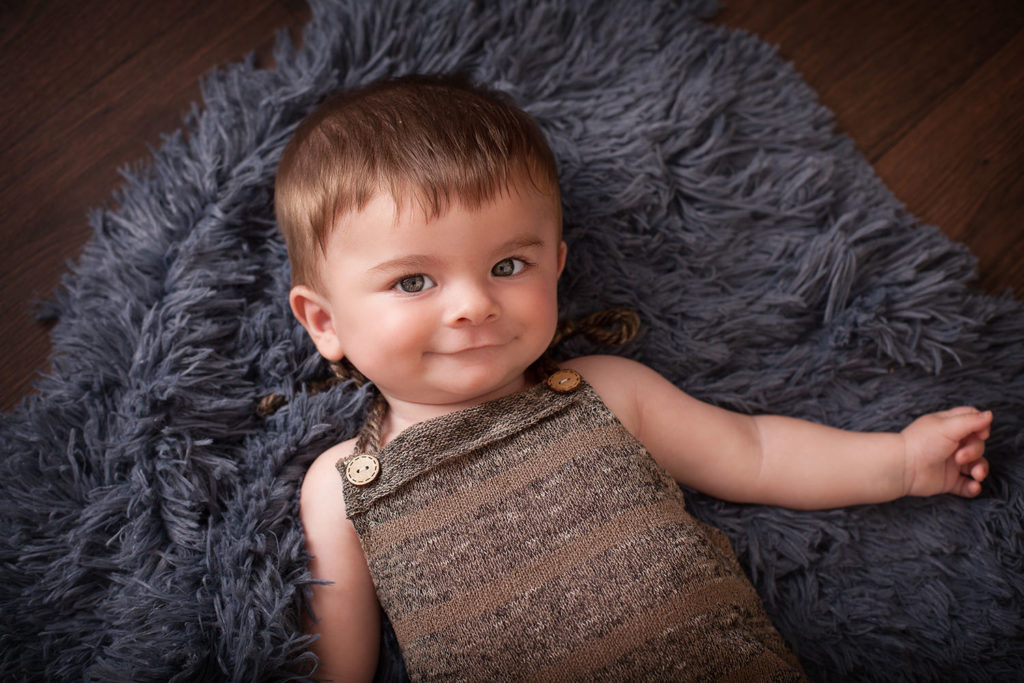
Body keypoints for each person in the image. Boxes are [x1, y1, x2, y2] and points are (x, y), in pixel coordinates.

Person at [274, 74, 992, 682]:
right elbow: (339, 667)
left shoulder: (606, 392)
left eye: (508, 266)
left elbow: (756, 452)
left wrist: (900, 461)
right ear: (324, 321)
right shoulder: (342, 488)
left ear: (556, 266)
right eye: (413, 281)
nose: (473, 304)